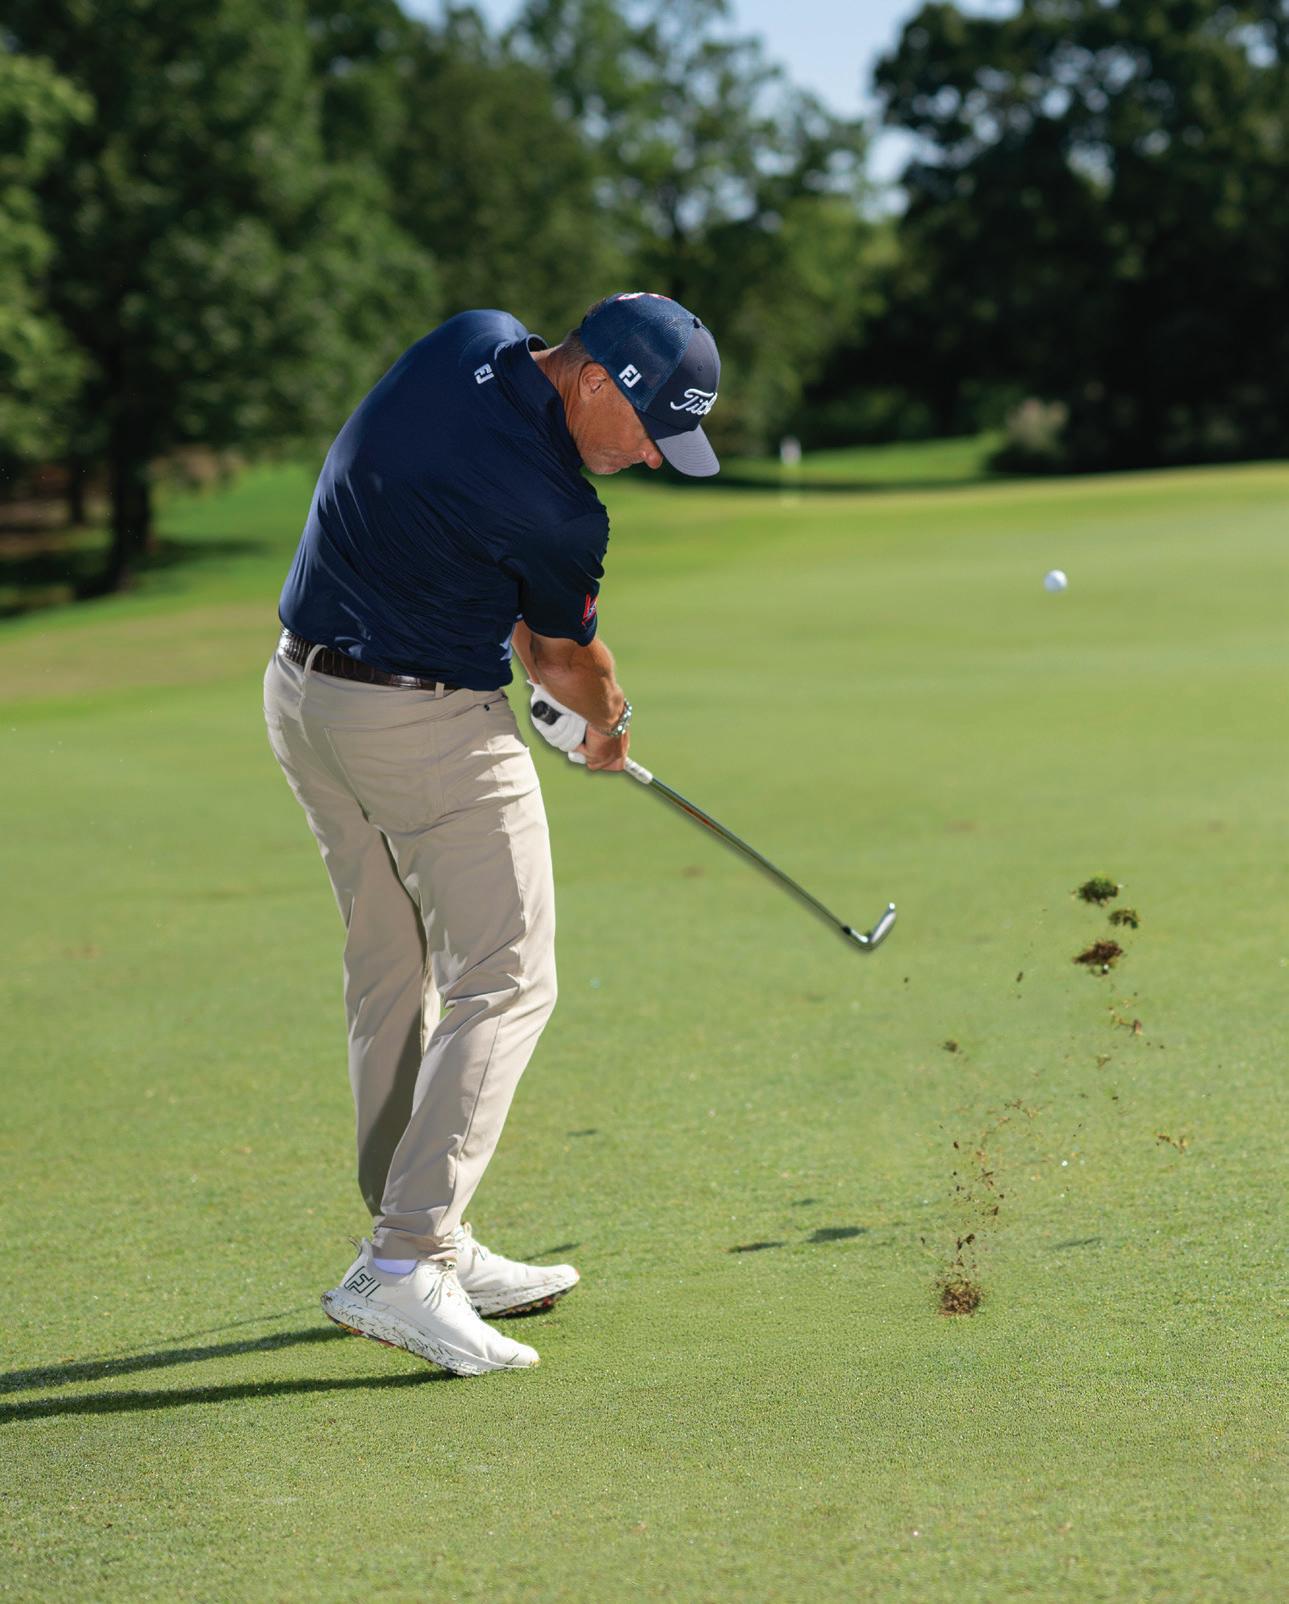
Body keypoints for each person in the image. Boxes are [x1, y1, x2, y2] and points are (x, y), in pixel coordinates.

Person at [262, 293, 721, 1376]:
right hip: (421, 728)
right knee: (508, 976)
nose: (652, 458)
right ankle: (405, 1257)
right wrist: (607, 725)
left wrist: (539, 655)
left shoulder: (467, 338)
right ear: (596, 380)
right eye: (650, 431)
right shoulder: (561, 512)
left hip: (302, 696)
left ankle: (424, 1233)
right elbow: (561, 659)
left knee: (391, 968)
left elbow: (464, 539)